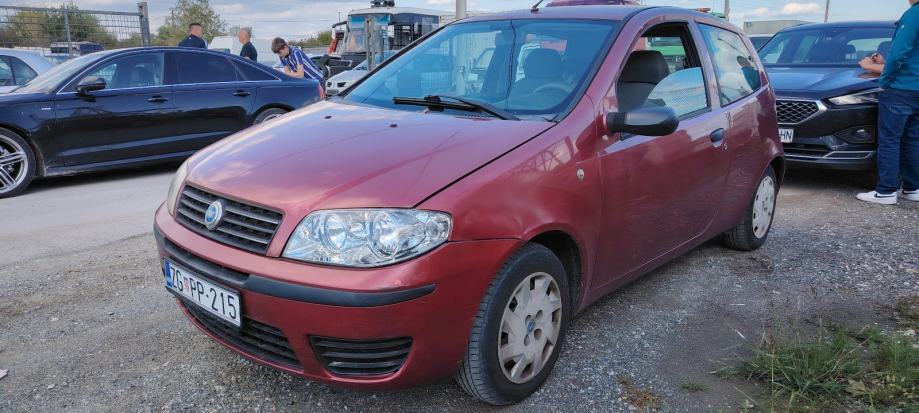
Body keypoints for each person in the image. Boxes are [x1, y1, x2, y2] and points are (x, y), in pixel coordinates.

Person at [858, 0, 919, 204]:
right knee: (912, 139)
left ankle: (885, 191)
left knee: (890, 140)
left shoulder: (914, 14)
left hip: (901, 88)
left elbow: (899, 52)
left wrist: (884, 81)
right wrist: (885, 63)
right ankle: (913, 188)